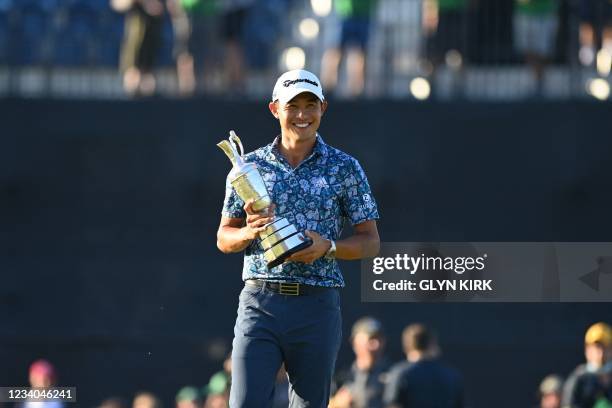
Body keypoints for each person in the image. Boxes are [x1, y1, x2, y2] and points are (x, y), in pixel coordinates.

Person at [216, 68, 380, 407]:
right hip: (261, 301)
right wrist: (250, 230)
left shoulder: (344, 167)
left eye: (311, 105)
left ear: (324, 108)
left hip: (316, 305)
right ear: (275, 109)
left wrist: (328, 248)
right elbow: (224, 237)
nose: (302, 115)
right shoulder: (250, 166)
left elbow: (370, 242)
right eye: (293, 106)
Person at [383, 323, 464, 408]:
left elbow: (393, 405)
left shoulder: (400, 373)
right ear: (432, 345)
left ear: (406, 346)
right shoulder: (451, 376)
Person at [329, 317, 390, 408]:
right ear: (354, 342)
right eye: (371, 339)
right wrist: (336, 403)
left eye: (380, 339)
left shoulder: (394, 375)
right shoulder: (340, 377)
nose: (376, 345)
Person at [321, 0, 378, 98]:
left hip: (363, 13)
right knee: (335, 51)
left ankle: (356, 89)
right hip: (343, 12)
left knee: (359, 53)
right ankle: (328, 86)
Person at [512, 0, 559, 96]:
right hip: (523, 13)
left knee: (542, 51)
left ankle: (540, 81)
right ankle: (536, 80)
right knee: (528, 50)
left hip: (545, 14)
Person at [562, 322, 612, 408]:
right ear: (587, 350)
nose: (601, 353)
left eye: (605, 348)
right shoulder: (578, 380)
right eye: (596, 347)